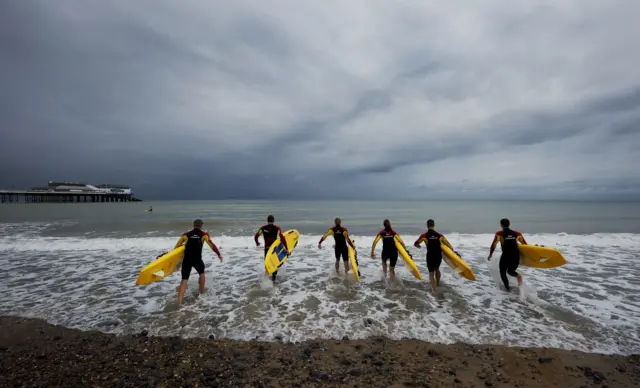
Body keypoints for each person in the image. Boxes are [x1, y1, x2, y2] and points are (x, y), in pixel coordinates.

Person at [174, 219, 223, 306]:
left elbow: (177, 247)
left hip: (187, 260)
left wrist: (176, 261)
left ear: (193, 225)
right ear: (201, 226)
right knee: (202, 275)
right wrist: (218, 254)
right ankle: (201, 295)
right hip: (197, 260)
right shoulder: (204, 235)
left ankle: (179, 303)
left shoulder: (186, 235)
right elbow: (212, 245)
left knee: (184, 281)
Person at [413, 219, 456, 292]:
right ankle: (438, 284)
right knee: (437, 269)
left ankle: (434, 291)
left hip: (430, 256)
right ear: (434, 225)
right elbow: (449, 245)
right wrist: (453, 253)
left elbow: (416, 243)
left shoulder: (424, 236)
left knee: (431, 273)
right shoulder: (440, 236)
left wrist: (418, 246)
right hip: (438, 256)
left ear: (427, 225)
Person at [487, 218, 528, 291]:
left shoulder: (499, 234)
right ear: (509, 224)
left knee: (503, 272)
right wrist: (527, 257)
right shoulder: (517, 234)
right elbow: (525, 245)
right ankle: (519, 280)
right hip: (515, 256)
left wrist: (490, 254)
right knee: (510, 271)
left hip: (506, 256)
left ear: (501, 225)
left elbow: (494, 245)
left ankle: (507, 289)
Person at [254, 214, 290, 282]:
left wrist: (257, 243)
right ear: (273, 221)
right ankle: (273, 280)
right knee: (275, 264)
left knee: (267, 265)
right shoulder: (277, 228)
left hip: (267, 249)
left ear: (267, 220)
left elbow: (256, 236)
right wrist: (287, 248)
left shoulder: (263, 228)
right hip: (274, 249)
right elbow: (282, 238)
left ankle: (265, 282)